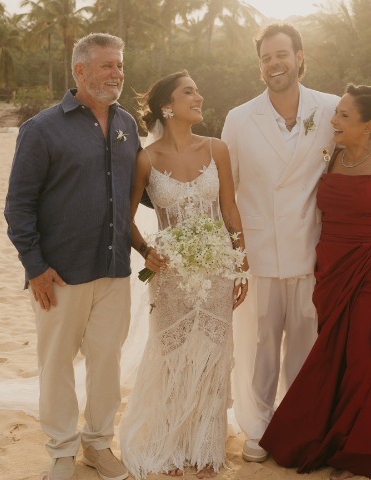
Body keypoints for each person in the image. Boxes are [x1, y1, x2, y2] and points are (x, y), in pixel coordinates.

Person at [220, 23, 371, 462]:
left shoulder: (331, 107)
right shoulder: (239, 118)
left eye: (282, 54)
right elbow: (224, 188)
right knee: (258, 344)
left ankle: (302, 424)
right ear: (259, 67)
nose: (274, 63)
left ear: (299, 58)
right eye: (266, 57)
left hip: (317, 252)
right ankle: (256, 426)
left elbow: (370, 152)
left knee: (308, 348)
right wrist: (231, 250)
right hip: (260, 250)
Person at [260, 84, 371, 480]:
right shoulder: (330, 157)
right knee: (333, 356)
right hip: (328, 273)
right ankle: (332, 441)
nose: (334, 121)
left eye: (344, 116)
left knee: (366, 363)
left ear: (369, 126)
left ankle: (361, 455)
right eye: (336, 113)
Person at [4, 33, 137, 480]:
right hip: (59, 274)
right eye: (106, 66)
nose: (116, 74)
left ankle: (98, 445)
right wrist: (35, 267)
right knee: (57, 363)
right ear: (80, 71)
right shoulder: (41, 129)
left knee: (107, 362)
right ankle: (61, 451)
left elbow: (136, 193)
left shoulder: (128, 124)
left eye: (119, 65)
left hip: (115, 270)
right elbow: (18, 205)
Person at [118, 71, 249, 479]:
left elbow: (229, 209)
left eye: (197, 90)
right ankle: (172, 445)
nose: (199, 96)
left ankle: (205, 449)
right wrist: (146, 252)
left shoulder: (218, 149)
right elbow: (124, 218)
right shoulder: (147, 158)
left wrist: (240, 262)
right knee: (173, 356)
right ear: (166, 106)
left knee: (212, 353)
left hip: (216, 270)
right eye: (189, 92)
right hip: (171, 273)